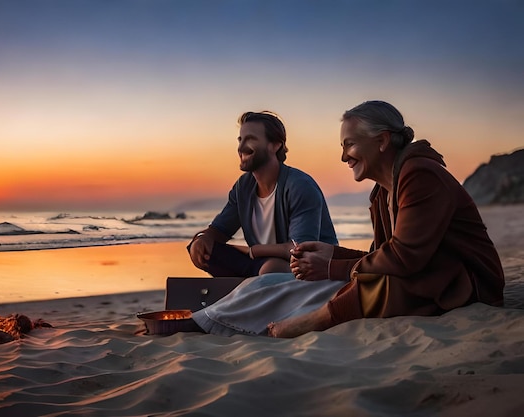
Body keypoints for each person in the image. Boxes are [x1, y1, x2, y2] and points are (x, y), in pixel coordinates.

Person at [189, 100, 504, 337]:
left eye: (350, 144)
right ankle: (208, 320)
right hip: (425, 274)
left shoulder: (420, 175)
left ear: (381, 141)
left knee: (371, 284)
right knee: (272, 281)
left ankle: (318, 318)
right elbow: (383, 256)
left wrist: (330, 267)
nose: (343, 156)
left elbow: (402, 260)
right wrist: (334, 255)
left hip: (467, 284)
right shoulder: (382, 193)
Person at [187, 111, 337, 278]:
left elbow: (300, 249)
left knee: (270, 269)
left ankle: (250, 286)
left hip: (310, 267)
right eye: (240, 140)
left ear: (275, 145)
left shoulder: (300, 186)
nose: (241, 147)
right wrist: (203, 238)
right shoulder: (243, 187)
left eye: (250, 139)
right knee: (202, 250)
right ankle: (249, 285)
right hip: (261, 263)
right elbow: (220, 230)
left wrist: (254, 251)